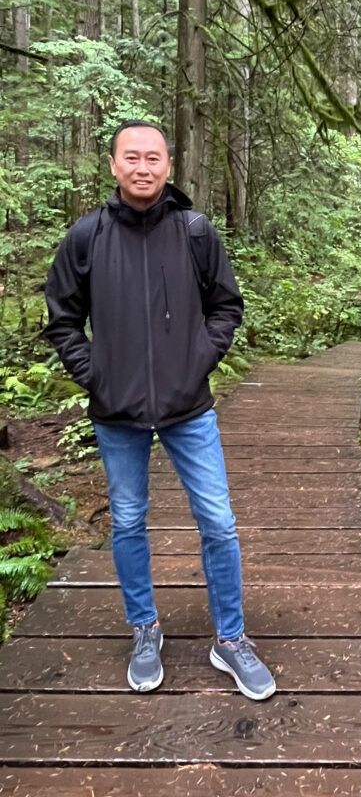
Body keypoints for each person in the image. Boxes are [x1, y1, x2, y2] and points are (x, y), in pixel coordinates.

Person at [44, 120, 276, 700]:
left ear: (169, 165)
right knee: (126, 521)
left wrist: (198, 359)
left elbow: (226, 306)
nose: (142, 167)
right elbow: (63, 319)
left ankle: (230, 639)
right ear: (114, 165)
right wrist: (95, 373)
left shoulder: (195, 232)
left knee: (218, 523)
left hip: (188, 406)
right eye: (132, 157)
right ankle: (145, 628)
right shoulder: (87, 236)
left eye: (153, 157)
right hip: (115, 411)